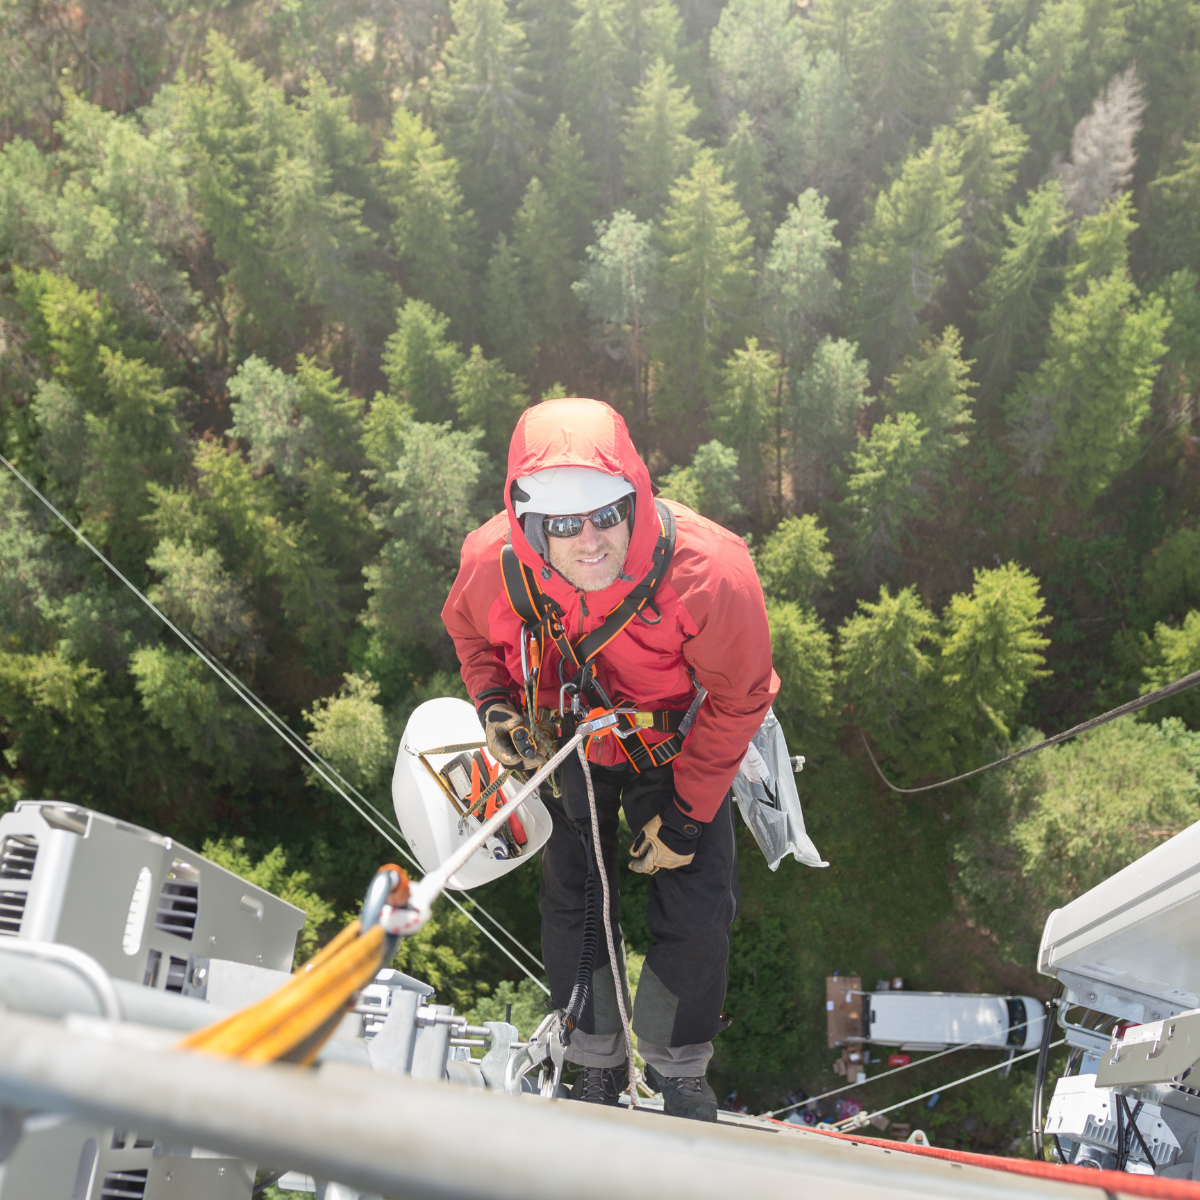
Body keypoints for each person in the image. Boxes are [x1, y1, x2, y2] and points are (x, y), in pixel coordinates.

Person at [442, 397, 778, 1121]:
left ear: (635, 499)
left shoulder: (712, 573)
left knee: (696, 905)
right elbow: (472, 640)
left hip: (681, 743)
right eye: (562, 525)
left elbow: (740, 699)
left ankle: (676, 1065)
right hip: (573, 738)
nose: (588, 541)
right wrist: (495, 706)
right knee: (575, 900)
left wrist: (686, 818)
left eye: (605, 515)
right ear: (531, 527)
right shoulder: (492, 564)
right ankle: (593, 1061)